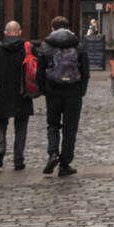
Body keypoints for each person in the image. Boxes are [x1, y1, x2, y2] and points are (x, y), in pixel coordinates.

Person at [37, 15, 89, 177]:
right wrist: (81, 91)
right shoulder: (78, 45)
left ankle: (52, 153)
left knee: (52, 124)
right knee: (70, 127)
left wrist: (44, 90)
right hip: (73, 92)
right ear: (69, 27)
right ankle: (65, 163)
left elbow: (39, 72)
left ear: (52, 29)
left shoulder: (46, 45)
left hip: (53, 92)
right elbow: (85, 71)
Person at [0, 21, 33, 171]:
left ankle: (0, 150)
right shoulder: (28, 48)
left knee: (0, 123)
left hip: (1, 93)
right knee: (21, 127)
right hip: (22, 93)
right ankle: (18, 160)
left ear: (5, 33)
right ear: (19, 32)